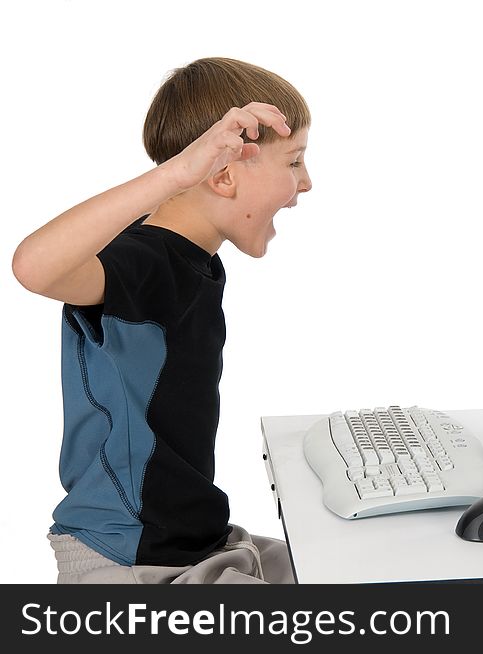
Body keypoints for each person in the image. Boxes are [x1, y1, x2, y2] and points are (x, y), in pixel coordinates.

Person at [11, 57, 312, 584]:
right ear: (220, 175)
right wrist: (176, 172)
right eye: (293, 162)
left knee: (348, 561)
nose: (305, 183)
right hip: (129, 564)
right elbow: (32, 267)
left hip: (190, 543)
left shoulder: (197, 262)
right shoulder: (144, 263)